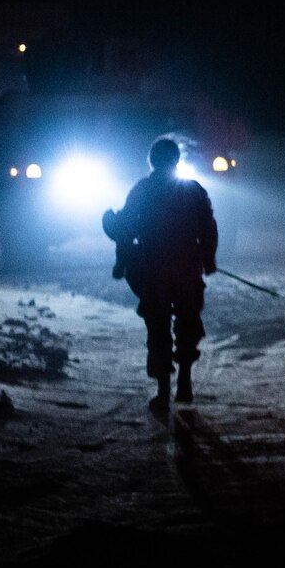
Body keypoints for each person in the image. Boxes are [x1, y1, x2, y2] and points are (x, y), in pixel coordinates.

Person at [102, 136, 218, 410]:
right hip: (188, 269)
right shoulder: (193, 190)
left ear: (152, 161)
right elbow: (208, 227)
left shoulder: (142, 189)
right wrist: (209, 259)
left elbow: (125, 231)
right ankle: (185, 382)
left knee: (158, 328)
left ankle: (164, 392)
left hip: (153, 270)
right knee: (188, 325)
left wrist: (120, 263)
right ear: (176, 160)